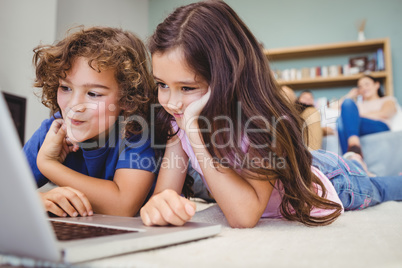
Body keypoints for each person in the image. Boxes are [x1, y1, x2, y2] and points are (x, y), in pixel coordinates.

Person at [140, 0, 402, 228]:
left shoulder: (259, 126)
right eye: (162, 84)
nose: (171, 103)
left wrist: (196, 135)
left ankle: (356, 163)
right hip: (307, 165)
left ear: (226, 78)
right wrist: (159, 206)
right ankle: (354, 158)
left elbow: (244, 216)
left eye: (187, 87)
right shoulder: (178, 123)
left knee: (384, 188)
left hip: (332, 179)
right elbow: (164, 195)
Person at [24, 26, 157, 218]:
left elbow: (123, 205)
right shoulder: (52, 130)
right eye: (65, 88)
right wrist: (35, 200)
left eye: (93, 94)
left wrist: (48, 164)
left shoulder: (137, 131)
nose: (74, 106)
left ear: (128, 99)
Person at [337, 75, 397, 156]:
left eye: (367, 84)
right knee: (344, 109)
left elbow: (385, 113)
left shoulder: (387, 100)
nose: (364, 88)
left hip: (380, 126)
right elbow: (335, 108)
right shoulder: (358, 104)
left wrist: (355, 116)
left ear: (377, 85)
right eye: (360, 87)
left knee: (343, 121)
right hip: (359, 126)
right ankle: (354, 148)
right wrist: (349, 95)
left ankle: (351, 155)